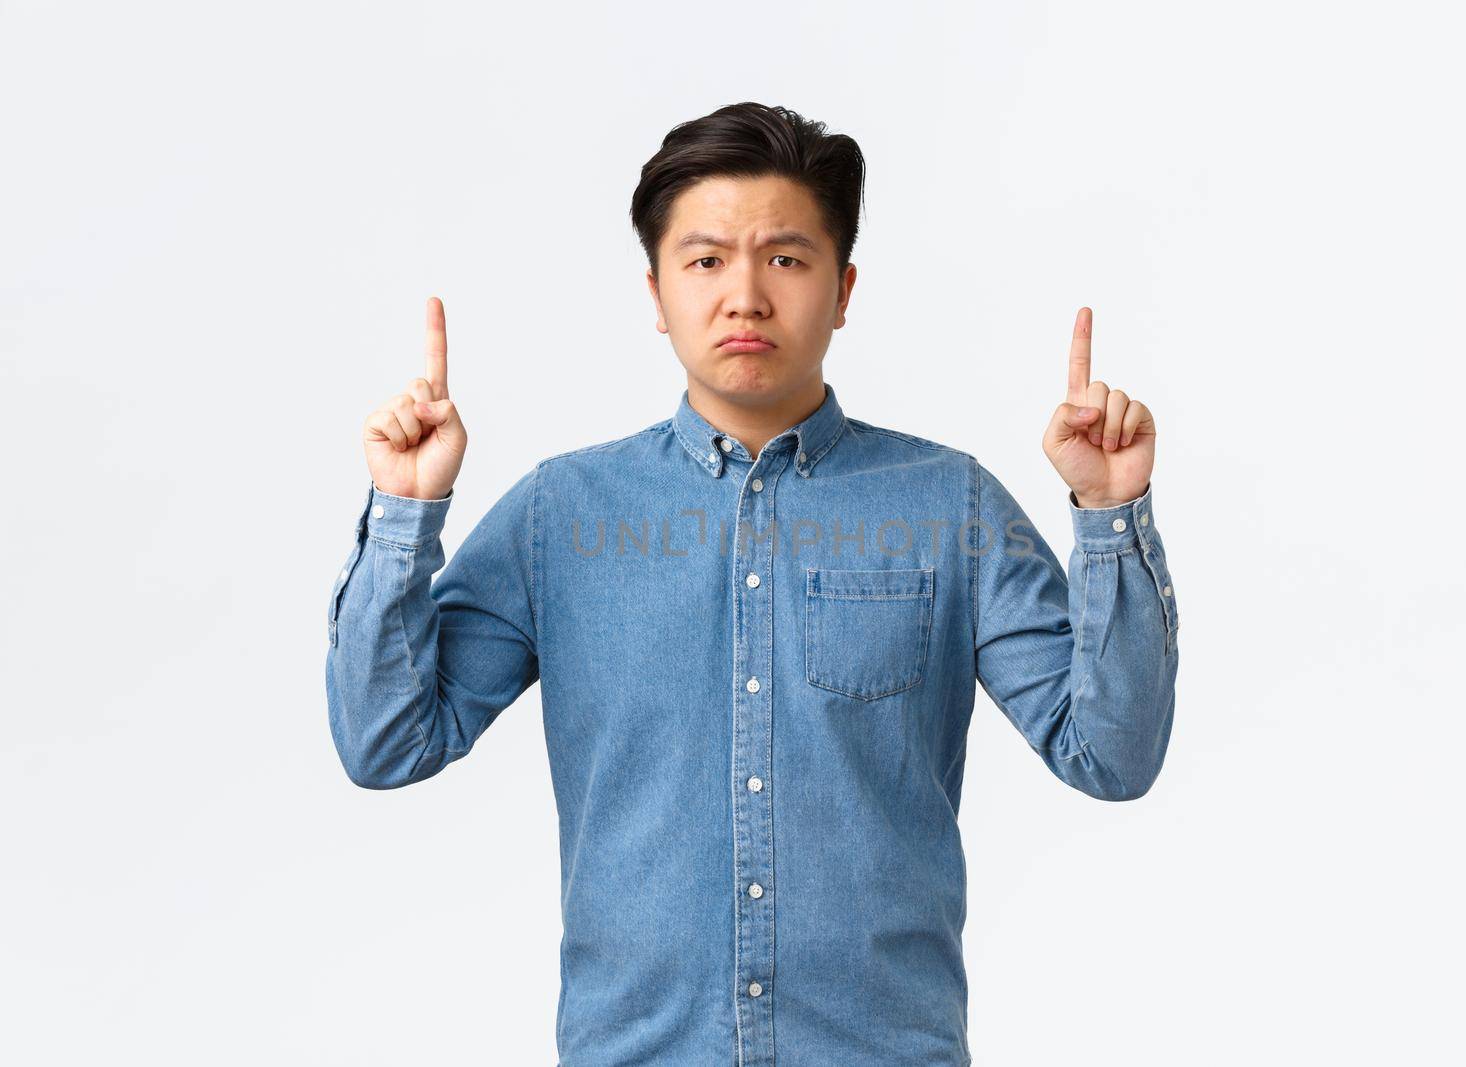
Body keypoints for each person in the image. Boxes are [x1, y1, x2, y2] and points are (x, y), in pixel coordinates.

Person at [325, 101, 1179, 1067]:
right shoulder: (560, 513)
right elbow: (387, 742)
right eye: (704, 261)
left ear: (843, 287)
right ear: (655, 292)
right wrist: (403, 516)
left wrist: (1109, 517)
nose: (744, 296)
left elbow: (1111, 756)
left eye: (784, 257)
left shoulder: (952, 507)